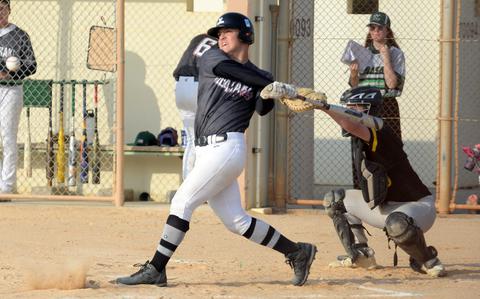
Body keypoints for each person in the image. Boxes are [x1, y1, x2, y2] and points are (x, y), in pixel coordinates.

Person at [115, 12, 317, 287]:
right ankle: (297, 252)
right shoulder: (213, 58)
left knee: (182, 202)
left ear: (246, 35)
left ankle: (156, 268)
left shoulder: (262, 76)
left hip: (227, 148)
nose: (221, 36)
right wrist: (268, 84)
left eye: (228, 32)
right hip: (204, 152)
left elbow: (262, 108)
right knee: (237, 222)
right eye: (219, 32)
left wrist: (274, 93)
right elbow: (232, 72)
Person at [320, 86, 446, 277]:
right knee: (335, 199)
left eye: (354, 107)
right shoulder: (358, 141)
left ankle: (428, 259)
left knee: (397, 223)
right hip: (386, 209)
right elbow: (351, 125)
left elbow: (351, 124)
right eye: (347, 106)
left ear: (369, 109)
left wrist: (323, 107)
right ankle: (361, 255)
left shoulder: (382, 132)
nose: (347, 110)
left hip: (417, 208)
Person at [0, 0, 36, 200]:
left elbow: (32, 66)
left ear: (9, 10)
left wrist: (10, 73)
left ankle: (6, 186)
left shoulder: (20, 36)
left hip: (11, 90)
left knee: (8, 136)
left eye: (2, 8)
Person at [348, 11, 405, 139]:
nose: (376, 31)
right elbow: (354, 85)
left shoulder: (396, 54)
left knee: (390, 147)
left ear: (387, 31)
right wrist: (353, 74)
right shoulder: (362, 53)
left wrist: (385, 57)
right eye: (372, 28)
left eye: (380, 28)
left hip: (386, 104)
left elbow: (391, 84)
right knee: (363, 144)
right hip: (364, 103)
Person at [173, 33, 217, 179]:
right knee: (209, 142)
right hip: (200, 87)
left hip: (180, 86)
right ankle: (202, 185)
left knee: (192, 141)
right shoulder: (223, 44)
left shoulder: (199, 38)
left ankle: (188, 186)